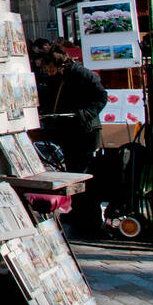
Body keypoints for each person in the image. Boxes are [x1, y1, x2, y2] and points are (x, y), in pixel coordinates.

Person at [36, 45, 108, 236]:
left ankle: (90, 221)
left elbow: (101, 97)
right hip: (69, 130)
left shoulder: (82, 74)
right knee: (72, 172)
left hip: (85, 131)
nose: (48, 73)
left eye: (50, 68)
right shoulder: (58, 78)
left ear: (60, 64)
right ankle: (78, 213)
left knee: (83, 174)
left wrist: (85, 114)